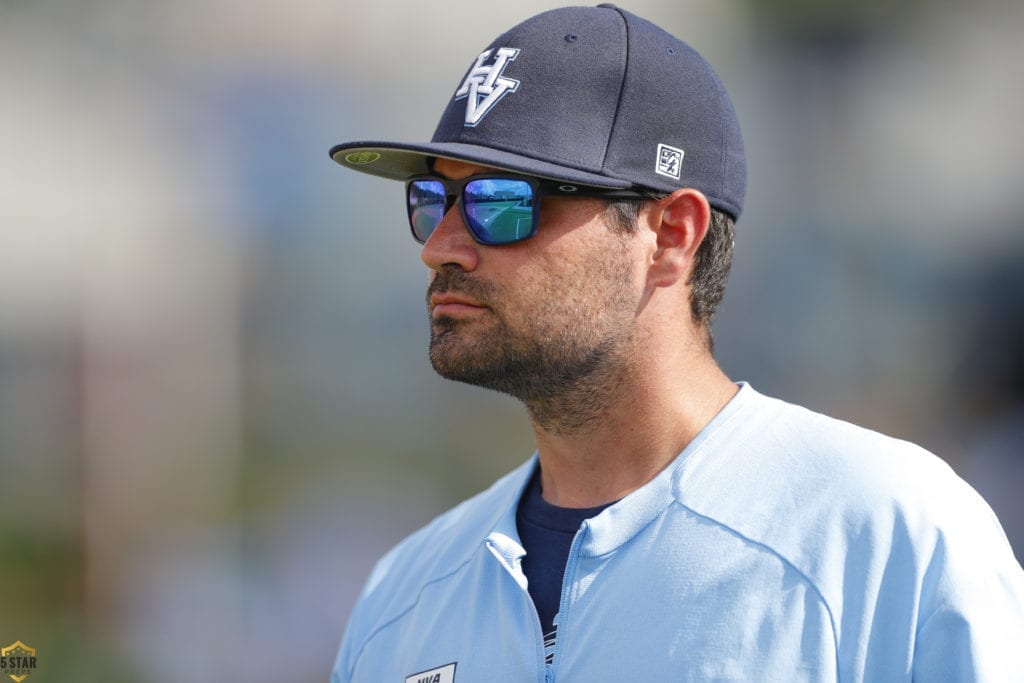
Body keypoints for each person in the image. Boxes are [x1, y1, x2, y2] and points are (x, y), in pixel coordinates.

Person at [327, 5, 1024, 681]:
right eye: (433, 200)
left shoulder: (882, 535)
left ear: (670, 235)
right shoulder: (403, 598)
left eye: (500, 203)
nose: (441, 247)